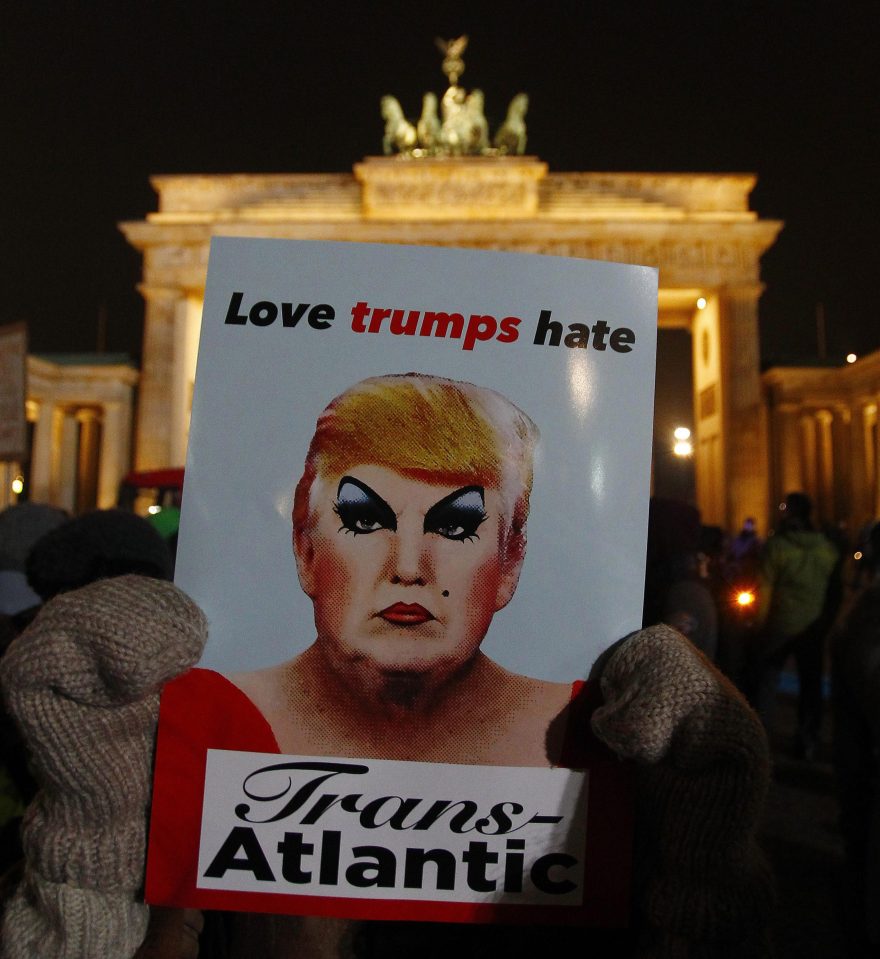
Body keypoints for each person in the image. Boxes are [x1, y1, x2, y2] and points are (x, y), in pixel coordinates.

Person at [224, 373, 570, 766]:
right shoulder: (196, 716)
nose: (408, 568)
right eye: (366, 522)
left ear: (509, 560)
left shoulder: (590, 729)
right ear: (306, 549)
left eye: (454, 527)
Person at [749, 491, 839, 759]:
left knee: (766, 681)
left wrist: (759, 623)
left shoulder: (777, 547)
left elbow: (764, 587)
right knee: (810, 685)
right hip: (813, 627)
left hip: (781, 624)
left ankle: (759, 736)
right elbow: (834, 588)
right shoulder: (827, 549)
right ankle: (807, 738)